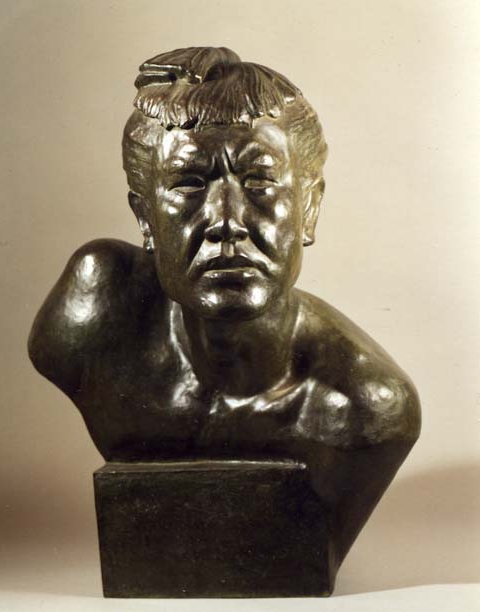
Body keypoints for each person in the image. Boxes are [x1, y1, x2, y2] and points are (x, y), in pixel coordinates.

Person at [28, 47, 420, 565]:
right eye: (189, 184)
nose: (227, 222)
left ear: (309, 208)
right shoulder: (92, 319)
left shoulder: (366, 407)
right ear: (145, 217)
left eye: (259, 182)